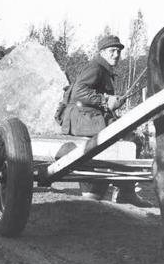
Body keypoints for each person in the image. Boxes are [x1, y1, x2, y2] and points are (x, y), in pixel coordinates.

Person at [64, 35, 152, 207]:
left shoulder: (102, 69)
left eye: (118, 52)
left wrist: (111, 101)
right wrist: (105, 100)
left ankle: (107, 190)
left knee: (128, 137)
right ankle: (124, 192)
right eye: (112, 51)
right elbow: (78, 93)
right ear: (102, 52)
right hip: (82, 118)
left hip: (89, 117)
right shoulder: (96, 68)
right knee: (131, 140)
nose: (116, 55)